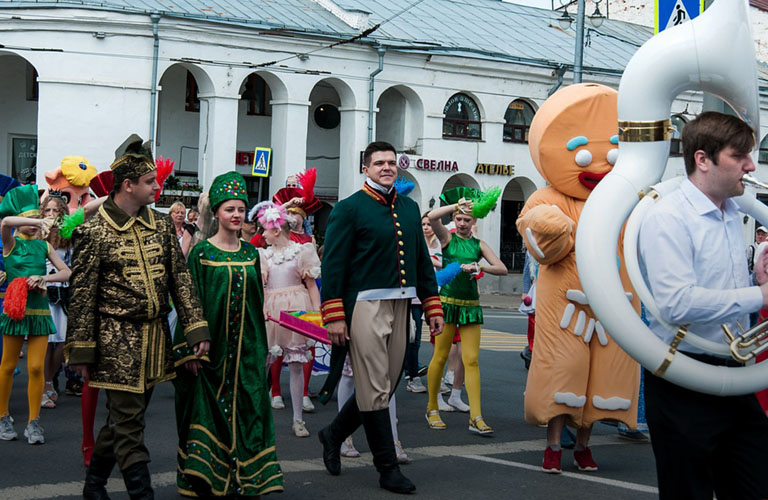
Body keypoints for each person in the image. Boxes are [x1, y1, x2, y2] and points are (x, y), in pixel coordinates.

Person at [65, 134, 210, 500]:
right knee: (130, 429)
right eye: (149, 182)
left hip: (156, 338)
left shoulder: (161, 226)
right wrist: (80, 350)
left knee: (122, 422)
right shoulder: (94, 231)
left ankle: (94, 485)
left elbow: (180, 278)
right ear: (127, 185)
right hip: (115, 341)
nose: (157, 187)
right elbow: (82, 296)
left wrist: (195, 328)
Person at [639, 111, 768, 499]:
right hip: (683, 379)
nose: (750, 166)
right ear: (702, 159)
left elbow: (717, 287)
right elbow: (677, 303)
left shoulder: (731, 212)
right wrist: (761, 296)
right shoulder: (668, 216)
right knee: (688, 492)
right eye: (739, 156)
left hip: (732, 372)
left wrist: (756, 280)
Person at [316, 141, 444, 494]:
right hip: (365, 306)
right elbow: (334, 265)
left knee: (384, 388)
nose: (387, 168)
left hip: (402, 304)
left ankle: (333, 434)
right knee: (374, 389)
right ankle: (387, 468)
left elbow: (420, 260)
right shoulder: (349, 208)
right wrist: (334, 314)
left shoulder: (408, 207)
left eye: (391, 162)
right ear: (366, 168)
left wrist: (432, 304)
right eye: (379, 163)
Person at [173, 171, 284, 497]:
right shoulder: (202, 254)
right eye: (229, 209)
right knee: (207, 411)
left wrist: (262, 348)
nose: (236, 215)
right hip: (211, 352)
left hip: (246, 350)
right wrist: (191, 346)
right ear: (217, 212)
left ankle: (245, 477)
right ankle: (206, 477)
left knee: (248, 409)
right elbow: (190, 303)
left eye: (240, 210)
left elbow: (256, 304)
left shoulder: (251, 254)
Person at [424, 187, 507, 435]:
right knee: (440, 357)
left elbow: (502, 268)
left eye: (467, 220)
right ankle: (432, 408)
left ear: (474, 222)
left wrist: (479, 267)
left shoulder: (479, 245)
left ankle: (476, 417)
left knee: (471, 360)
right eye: (459, 219)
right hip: (447, 304)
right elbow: (432, 216)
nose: (462, 223)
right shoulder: (447, 239)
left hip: (471, 308)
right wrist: (456, 206)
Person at [0, 184, 71, 444]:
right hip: (15, 311)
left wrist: (44, 278)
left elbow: (66, 272)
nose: (32, 225)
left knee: (35, 367)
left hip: (40, 312)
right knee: (8, 366)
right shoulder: (11, 243)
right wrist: (39, 220)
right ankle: (2, 415)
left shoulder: (44, 246)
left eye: (35, 219)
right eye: (28, 220)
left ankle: (33, 422)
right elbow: (5, 221)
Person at [258, 200, 321, 437]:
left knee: (296, 363)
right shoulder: (264, 255)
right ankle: (258, 418)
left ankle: (298, 419)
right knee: (265, 361)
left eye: (265, 229)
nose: (262, 234)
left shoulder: (301, 251)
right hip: (271, 309)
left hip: (296, 307)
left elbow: (311, 285)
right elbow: (262, 286)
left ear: (276, 230)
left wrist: (316, 315)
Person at [268, 170, 321, 412]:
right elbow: (268, 220)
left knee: (305, 346)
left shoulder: (308, 241)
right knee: (278, 346)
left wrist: (317, 308)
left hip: (301, 297)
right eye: (289, 213)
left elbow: (312, 277)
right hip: (278, 298)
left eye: (297, 213)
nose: (293, 217)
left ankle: (304, 392)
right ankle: (276, 390)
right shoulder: (275, 238)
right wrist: (286, 205)